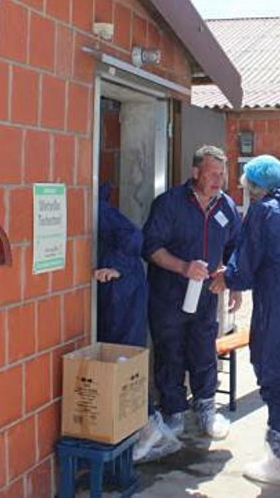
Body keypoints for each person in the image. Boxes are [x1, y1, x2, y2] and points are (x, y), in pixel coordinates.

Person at [210, 155, 280, 486]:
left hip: (279, 313)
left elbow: (246, 266)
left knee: (278, 380)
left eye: (247, 186)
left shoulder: (264, 212)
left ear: (257, 186)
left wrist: (225, 278)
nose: (246, 192)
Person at [142, 145, 242, 440]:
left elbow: (236, 247)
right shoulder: (169, 204)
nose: (219, 181)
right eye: (212, 174)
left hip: (207, 296)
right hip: (169, 295)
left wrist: (232, 279)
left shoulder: (226, 207)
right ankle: (174, 413)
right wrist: (183, 267)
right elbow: (151, 248)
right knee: (170, 353)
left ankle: (206, 410)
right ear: (195, 172)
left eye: (222, 175)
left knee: (204, 352)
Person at [94, 184, 181, 462]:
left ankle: (146, 425)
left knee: (124, 359)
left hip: (124, 292)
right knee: (123, 359)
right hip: (119, 292)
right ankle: (146, 424)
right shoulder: (93, 207)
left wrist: (116, 267)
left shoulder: (98, 210)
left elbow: (133, 235)